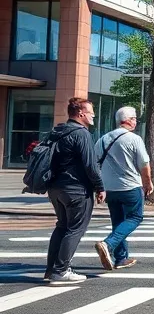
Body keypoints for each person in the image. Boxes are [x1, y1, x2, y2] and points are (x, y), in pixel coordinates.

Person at [45, 98, 105, 284]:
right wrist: (100, 187)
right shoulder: (82, 134)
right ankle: (61, 270)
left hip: (55, 188)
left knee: (62, 226)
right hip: (76, 189)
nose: (93, 115)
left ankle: (51, 269)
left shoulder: (58, 131)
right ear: (81, 114)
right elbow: (90, 165)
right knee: (75, 229)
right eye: (91, 111)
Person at [93, 106, 153, 271]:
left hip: (109, 189)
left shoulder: (102, 140)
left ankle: (121, 258)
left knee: (118, 221)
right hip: (130, 187)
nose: (135, 121)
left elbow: (95, 166)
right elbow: (144, 165)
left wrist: (99, 188)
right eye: (134, 118)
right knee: (135, 217)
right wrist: (148, 183)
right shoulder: (134, 139)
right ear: (127, 120)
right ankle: (108, 244)